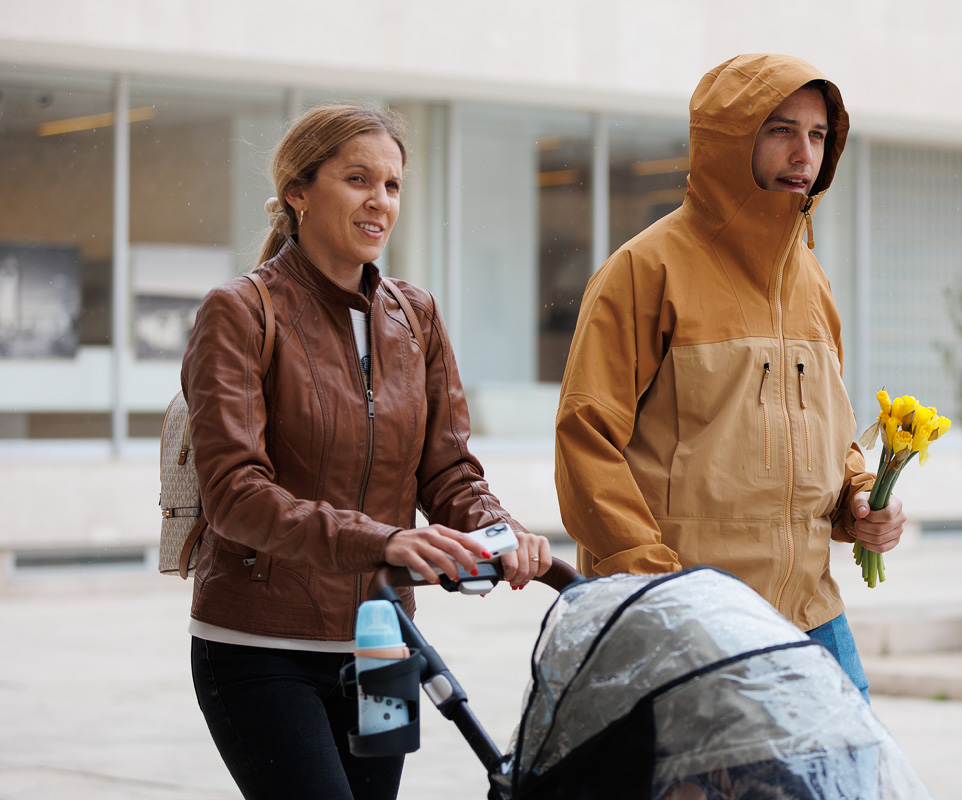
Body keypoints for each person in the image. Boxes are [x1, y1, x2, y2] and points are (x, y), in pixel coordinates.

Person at [182, 104, 552, 800]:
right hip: (262, 648)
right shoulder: (240, 312)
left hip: (384, 643)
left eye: (392, 185)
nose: (379, 201)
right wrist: (386, 541)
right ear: (299, 190)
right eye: (357, 179)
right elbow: (236, 494)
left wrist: (501, 532)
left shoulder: (415, 317)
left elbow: (449, 473)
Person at [554, 54, 905, 702]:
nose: (804, 153)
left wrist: (860, 500)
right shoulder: (644, 271)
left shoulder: (811, 280)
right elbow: (586, 447)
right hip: (689, 618)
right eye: (780, 129)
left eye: (818, 135)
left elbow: (828, 436)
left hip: (812, 617)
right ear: (727, 139)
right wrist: (660, 587)